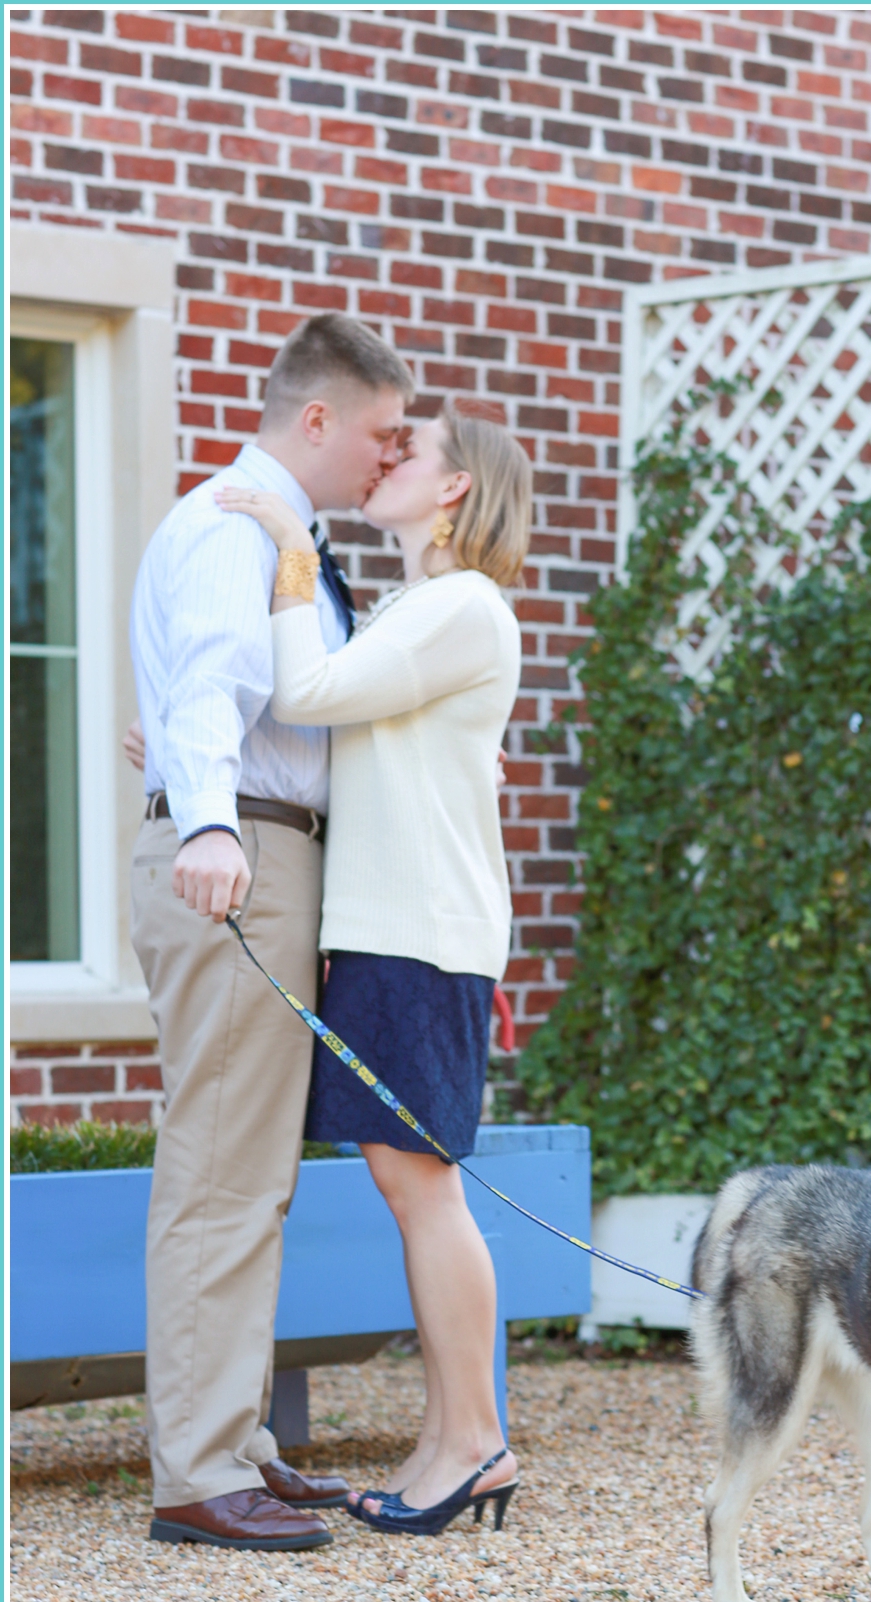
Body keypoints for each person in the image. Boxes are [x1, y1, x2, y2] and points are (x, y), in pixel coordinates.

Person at [212, 403, 530, 1535]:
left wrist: (293, 552)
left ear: (455, 491)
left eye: (413, 454)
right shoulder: (429, 609)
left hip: (418, 936)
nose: (389, 462)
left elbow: (313, 695)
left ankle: (475, 1441)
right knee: (414, 1187)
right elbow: (353, 748)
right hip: (400, 931)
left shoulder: (459, 604)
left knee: (423, 1187)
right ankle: (454, 1437)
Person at [129, 314, 414, 1551]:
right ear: (317, 418)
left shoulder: (276, 535)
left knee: (252, 1174)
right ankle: (197, 1469)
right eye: (380, 433)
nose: (386, 457)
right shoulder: (233, 525)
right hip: (239, 856)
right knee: (220, 1173)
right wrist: (208, 827)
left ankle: (234, 1440)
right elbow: (207, 686)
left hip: (259, 845)